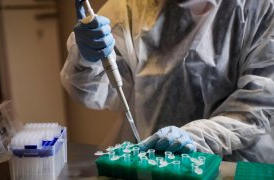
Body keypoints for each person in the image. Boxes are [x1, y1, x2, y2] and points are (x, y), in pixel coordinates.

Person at [61, 0, 274, 163]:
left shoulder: (258, 7)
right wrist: (87, 60)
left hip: (236, 164)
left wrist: (196, 137)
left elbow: (260, 105)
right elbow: (91, 92)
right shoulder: (131, 6)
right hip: (153, 160)